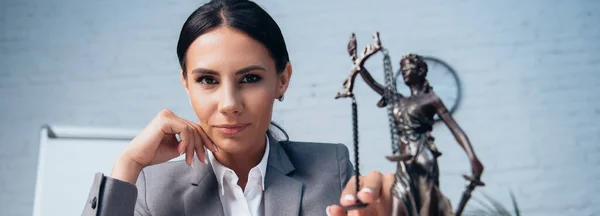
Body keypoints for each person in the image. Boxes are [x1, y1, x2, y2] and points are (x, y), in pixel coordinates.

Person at [80, 0, 397, 215]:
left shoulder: (331, 168)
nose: (229, 104)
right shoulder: (152, 188)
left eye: (250, 78)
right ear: (186, 84)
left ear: (282, 80)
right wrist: (129, 163)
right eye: (207, 79)